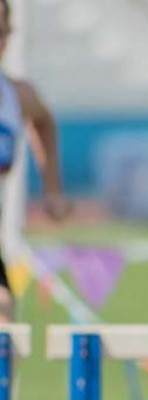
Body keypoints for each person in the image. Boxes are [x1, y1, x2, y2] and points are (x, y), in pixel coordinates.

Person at [0, 0, 71, 323]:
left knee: (4, 314)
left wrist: (52, 189)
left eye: (2, 32)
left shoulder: (17, 96)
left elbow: (44, 123)